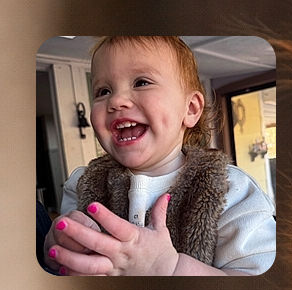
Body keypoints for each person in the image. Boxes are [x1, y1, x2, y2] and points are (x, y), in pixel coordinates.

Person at [43, 36, 275, 276]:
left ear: (191, 109)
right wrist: (59, 247)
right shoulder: (82, 184)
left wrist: (169, 268)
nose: (116, 101)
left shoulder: (231, 189)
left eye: (142, 82)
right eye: (103, 90)